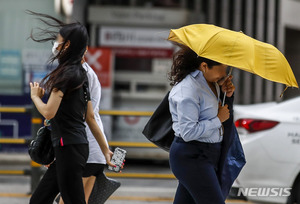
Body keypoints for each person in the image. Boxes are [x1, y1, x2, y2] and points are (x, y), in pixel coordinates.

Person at [28, 11, 114, 204]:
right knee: (39, 200)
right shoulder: (80, 74)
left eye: (58, 41)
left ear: (67, 45)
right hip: (73, 146)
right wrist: (105, 150)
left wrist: (35, 97)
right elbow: (90, 117)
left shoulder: (66, 75)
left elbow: (48, 111)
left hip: (68, 147)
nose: (55, 46)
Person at [168, 45, 235, 204]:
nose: (224, 75)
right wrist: (218, 120)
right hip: (192, 155)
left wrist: (228, 95)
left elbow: (222, 113)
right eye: (221, 71)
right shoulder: (188, 91)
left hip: (209, 154)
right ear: (204, 66)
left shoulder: (211, 83)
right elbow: (188, 132)